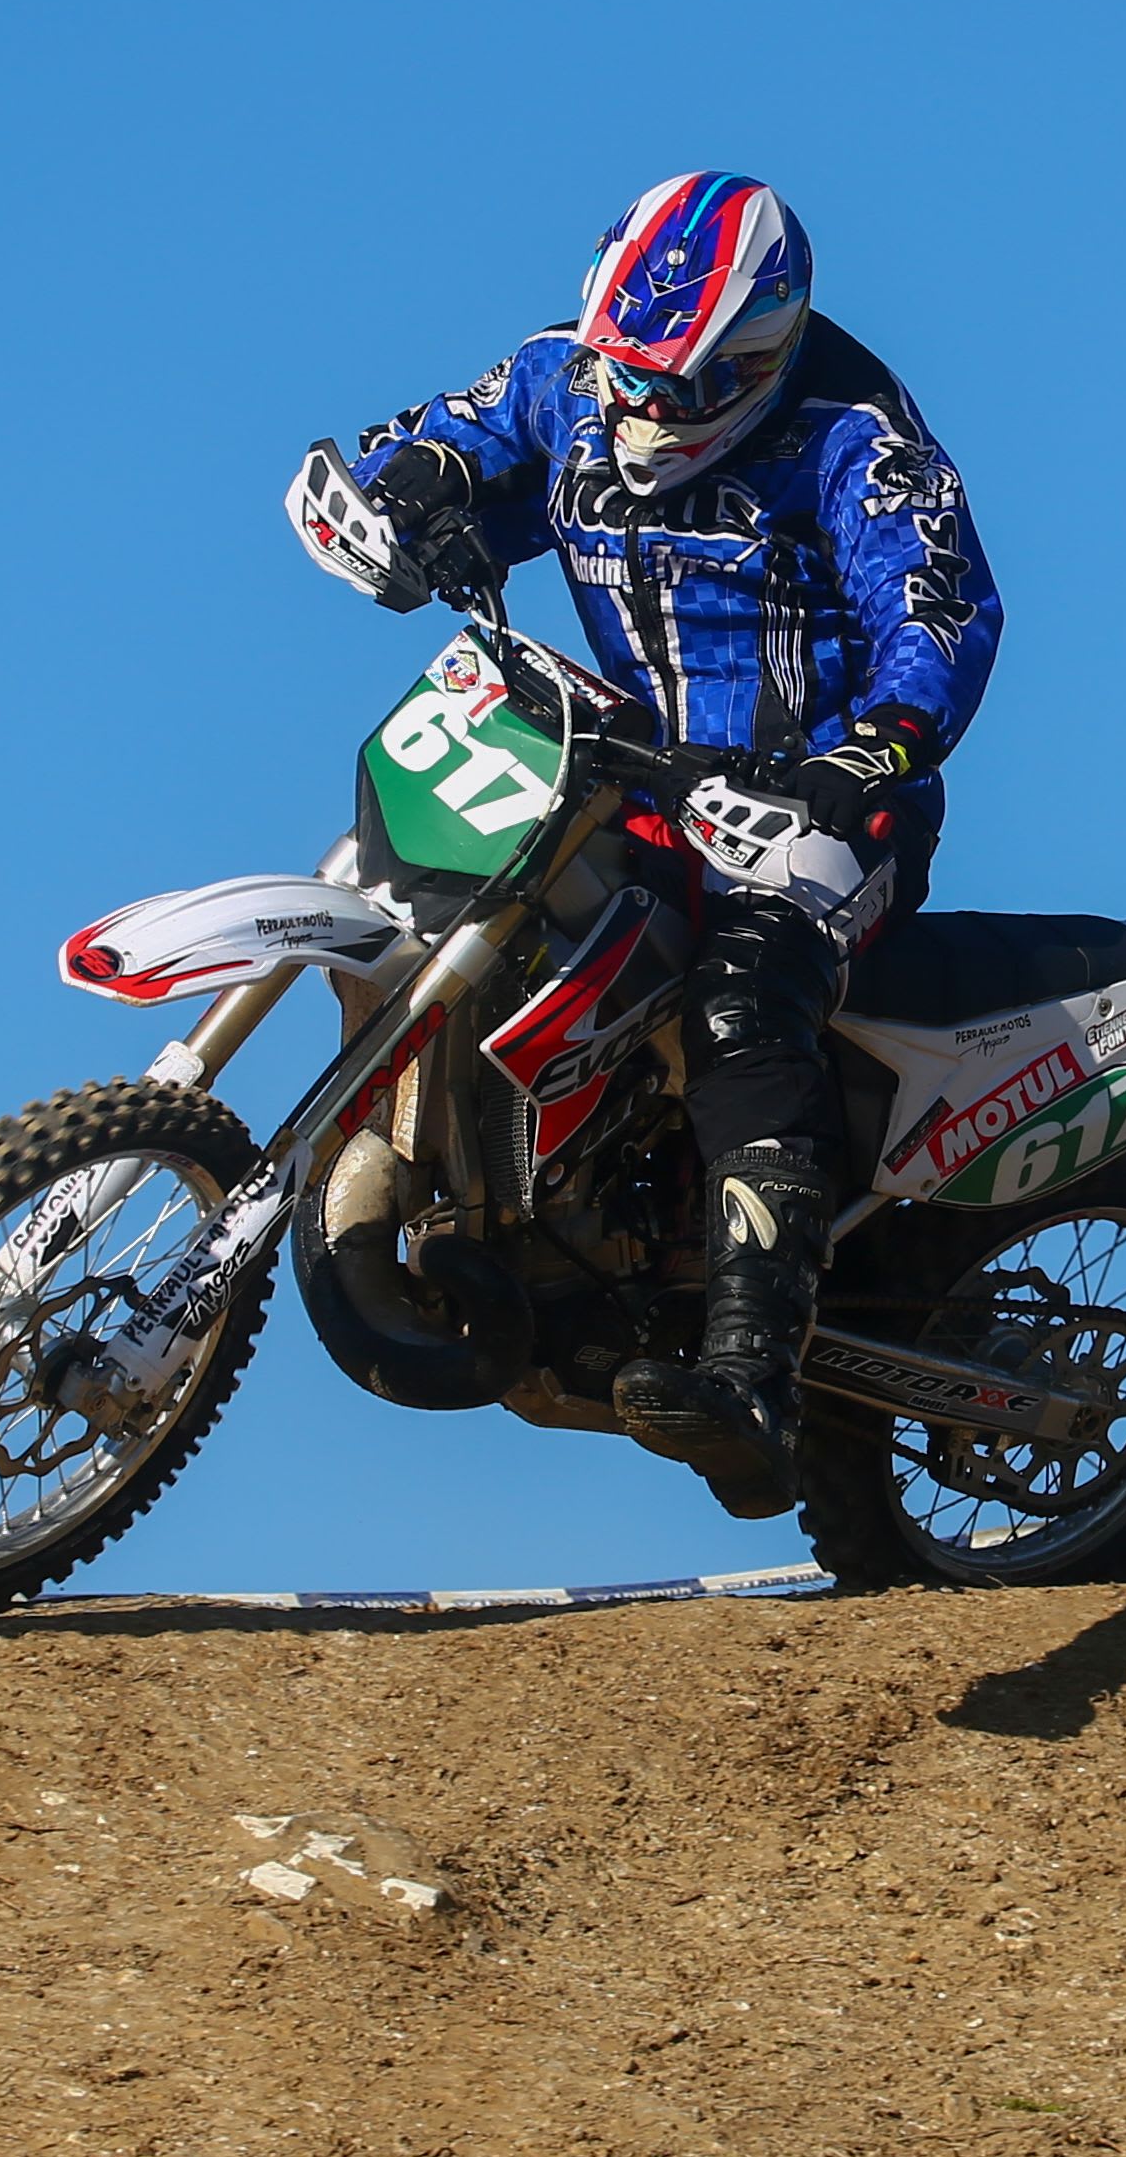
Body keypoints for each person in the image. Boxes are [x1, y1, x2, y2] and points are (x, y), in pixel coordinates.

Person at [289, 171, 1001, 1515]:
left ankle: (752, 1376)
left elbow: (943, 618)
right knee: (445, 893)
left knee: (742, 1001)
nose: (638, 412)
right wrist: (411, 484)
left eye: (674, 390)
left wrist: (869, 756)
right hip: (621, 755)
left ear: (760, 356)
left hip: (817, 803)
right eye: (626, 373)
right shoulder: (579, 377)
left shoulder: (859, 443)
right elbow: (457, 433)